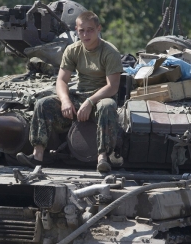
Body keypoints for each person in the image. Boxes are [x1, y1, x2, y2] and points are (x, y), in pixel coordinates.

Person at [17, 11, 123, 172]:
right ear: (76, 30)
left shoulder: (110, 52)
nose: (86, 34)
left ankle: (103, 157)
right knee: (43, 103)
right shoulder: (73, 50)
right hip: (78, 97)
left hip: (100, 99)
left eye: (90, 30)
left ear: (98, 29)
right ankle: (37, 156)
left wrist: (89, 102)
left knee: (107, 106)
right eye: (82, 30)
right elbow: (61, 80)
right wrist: (65, 100)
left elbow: (112, 87)